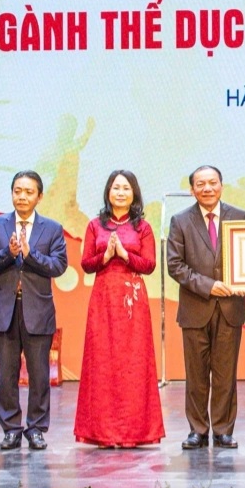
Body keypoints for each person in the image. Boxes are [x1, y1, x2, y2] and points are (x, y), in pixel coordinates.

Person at [0, 171, 69, 450]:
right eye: (17, 191)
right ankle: (11, 429)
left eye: (29, 192)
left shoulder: (52, 228)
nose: (22, 196)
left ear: (39, 196)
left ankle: (36, 429)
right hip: (5, 310)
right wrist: (8, 253)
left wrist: (31, 255)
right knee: (6, 375)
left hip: (38, 310)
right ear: (11, 194)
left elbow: (59, 266)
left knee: (39, 375)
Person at [75, 170, 164, 447]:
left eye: (126, 188)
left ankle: (134, 432)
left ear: (134, 193)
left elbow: (149, 265)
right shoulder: (95, 225)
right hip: (103, 299)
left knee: (133, 363)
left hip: (132, 302)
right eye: (116, 187)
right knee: (102, 362)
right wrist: (105, 256)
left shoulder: (143, 228)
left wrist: (125, 255)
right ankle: (103, 432)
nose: (121, 192)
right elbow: (86, 264)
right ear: (108, 192)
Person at [166, 165, 245, 449]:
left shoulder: (240, 216)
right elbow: (175, 266)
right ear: (192, 190)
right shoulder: (180, 221)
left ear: (221, 185)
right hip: (195, 307)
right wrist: (209, 286)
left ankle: (223, 430)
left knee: (226, 374)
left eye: (212, 182)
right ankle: (198, 430)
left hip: (230, 308)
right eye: (200, 184)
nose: (207, 188)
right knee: (196, 375)